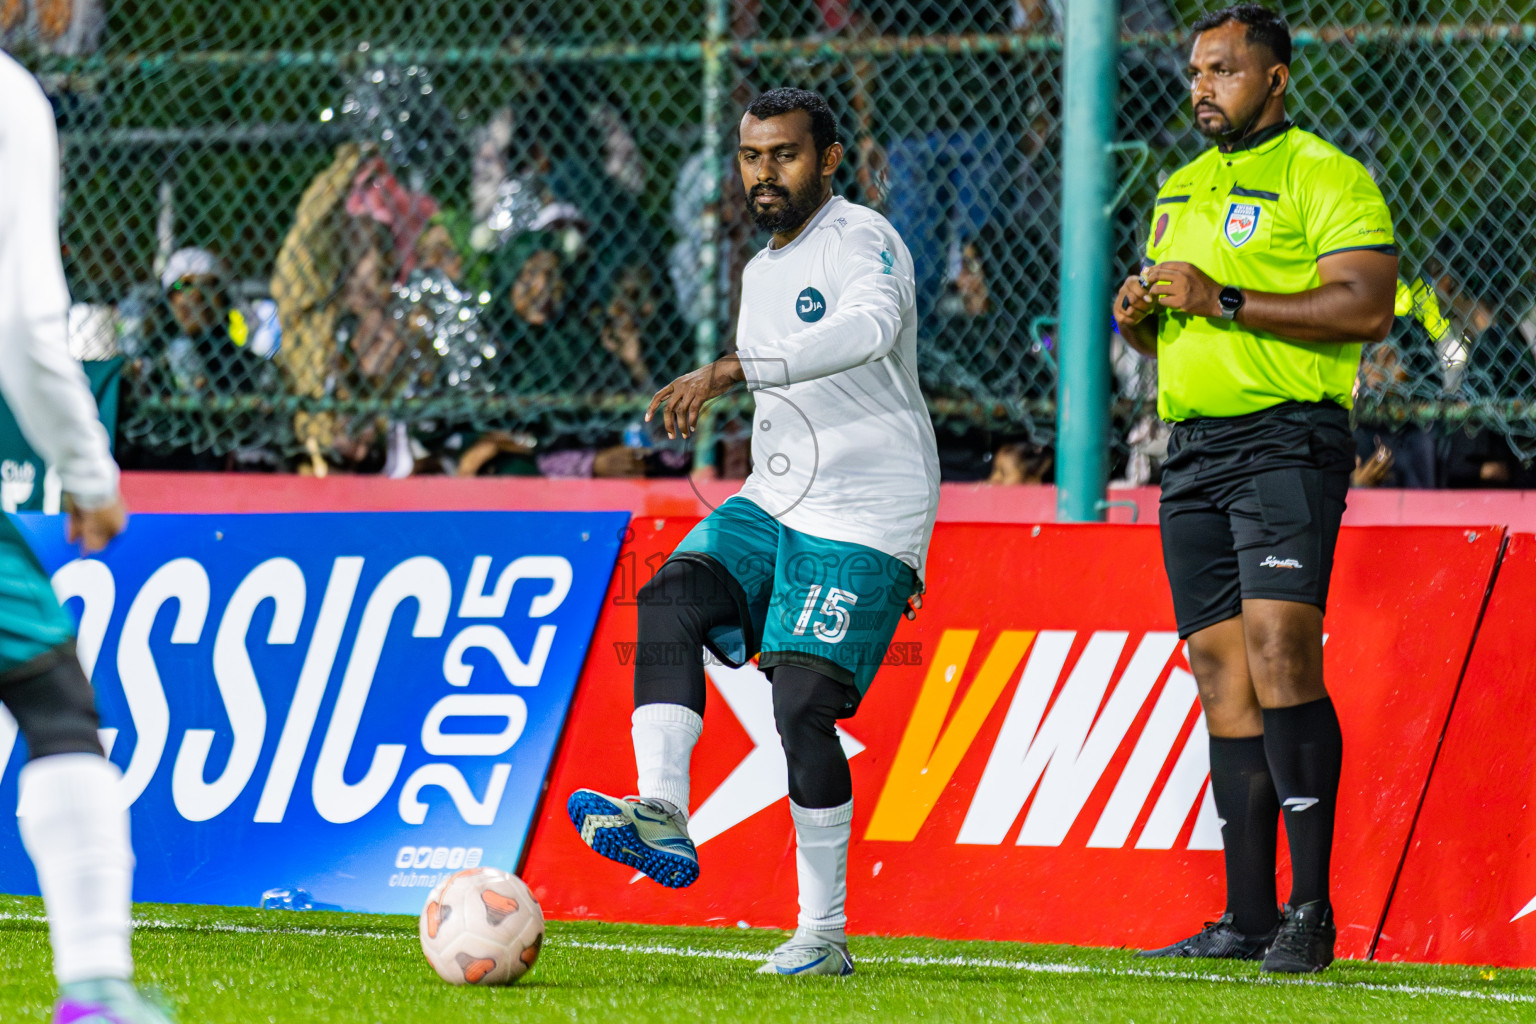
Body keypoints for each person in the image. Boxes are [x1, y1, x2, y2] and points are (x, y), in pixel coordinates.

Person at [566, 87, 938, 977]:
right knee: (670, 596)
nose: (764, 174)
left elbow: (869, 330)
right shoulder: (758, 271)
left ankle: (822, 935)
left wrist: (736, 368)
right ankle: (662, 809)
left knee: (802, 706)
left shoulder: (864, 239)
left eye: (786, 156)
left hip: (868, 511)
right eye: (751, 157)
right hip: (776, 499)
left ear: (830, 160)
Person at [1113, 5, 1397, 973]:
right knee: (1218, 669)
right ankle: (1246, 916)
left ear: (1274, 79)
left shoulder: (1325, 173)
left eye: (1225, 70)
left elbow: (1368, 308)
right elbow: (1176, 327)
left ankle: (1312, 913)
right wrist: (1146, 318)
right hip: (1191, 449)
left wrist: (1223, 296)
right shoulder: (1180, 186)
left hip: (1287, 438)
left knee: (1282, 651)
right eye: (1195, 69)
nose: (1202, 86)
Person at [0, 50, 174, 1023]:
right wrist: (90, 475)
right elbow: (24, 327)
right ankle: (96, 987)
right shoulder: (9, 98)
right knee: (53, 700)